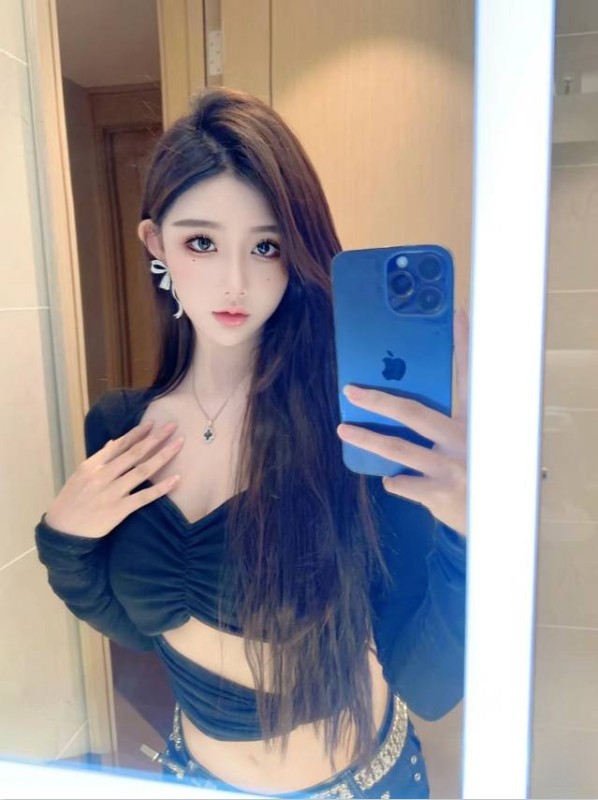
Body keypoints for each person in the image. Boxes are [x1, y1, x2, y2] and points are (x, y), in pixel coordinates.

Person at [34, 87, 468, 799]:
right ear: (156, 245)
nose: (234, 282)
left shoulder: (349, 432)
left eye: (266, 246)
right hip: (190, 777)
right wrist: (64, 537)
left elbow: (428, 682)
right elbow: (141, 625)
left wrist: (467, 534)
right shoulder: (120, 428)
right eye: (201, 242)